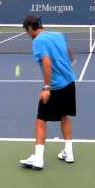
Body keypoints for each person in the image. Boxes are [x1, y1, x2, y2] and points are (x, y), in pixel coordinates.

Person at [19, 16, 77, 170]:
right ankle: (69, 153)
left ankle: (38, 159)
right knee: (64, 116)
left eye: (27, 30)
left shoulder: (37, 41)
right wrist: (71, 62)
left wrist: (46, 87)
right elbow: (68, 51)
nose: (27, 33)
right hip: (69, 82)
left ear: (31, 28)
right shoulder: (58, 35)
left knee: (41, 120)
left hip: (55, 86)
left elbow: (46, 62)